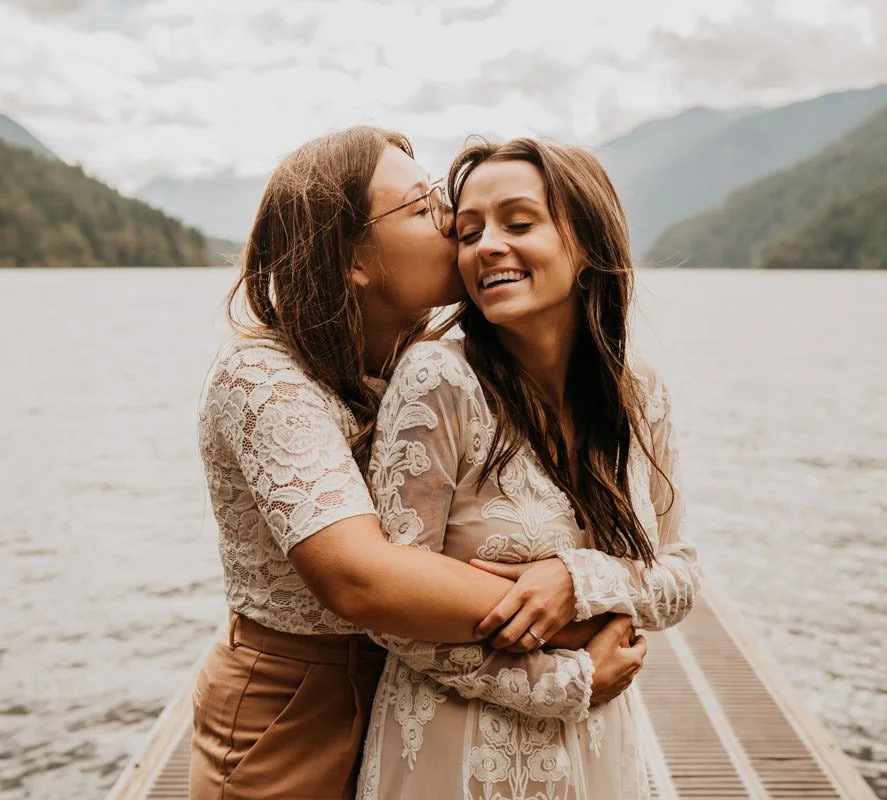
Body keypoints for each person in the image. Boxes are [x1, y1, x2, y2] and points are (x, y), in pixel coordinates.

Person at [191, 126, 648, 800]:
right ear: (353, 259)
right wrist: (575, 611)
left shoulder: (426, 364)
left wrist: (583, 573)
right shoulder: (260, 375)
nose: (455, 227)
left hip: (415, 685)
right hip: (294, 707)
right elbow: (361, 580)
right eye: (423, 207)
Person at [356, 138, 699, 800]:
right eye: (469, 230)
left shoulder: (639, 394)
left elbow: (681, 575)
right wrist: (566, 685)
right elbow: (392, 612)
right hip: (463, 753)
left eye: (519, 223)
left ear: (588, 244)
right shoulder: (439, 382)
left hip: (604, 749)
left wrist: (579, 580)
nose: (486, 246)